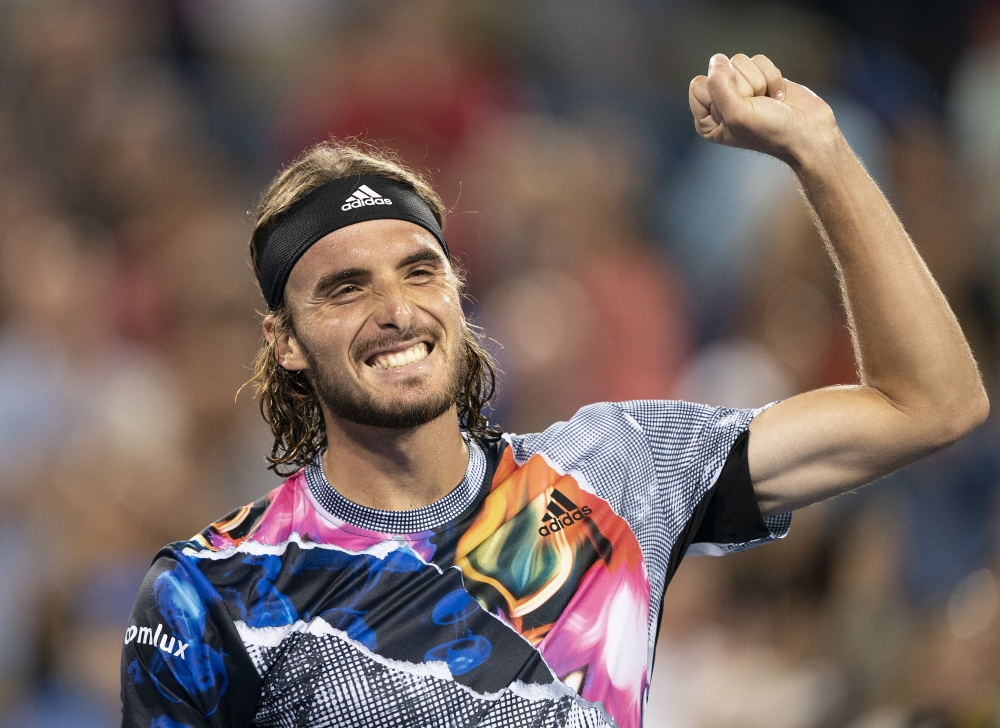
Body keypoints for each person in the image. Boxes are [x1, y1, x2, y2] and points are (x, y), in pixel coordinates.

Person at [119, 54, 988, 728]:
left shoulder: (619, 467)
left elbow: (932, 404)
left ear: (457, 295)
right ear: (286, 343)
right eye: (344, 289)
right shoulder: (213, 595)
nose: (394, 310)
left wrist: (820, 152)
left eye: (420, 272)